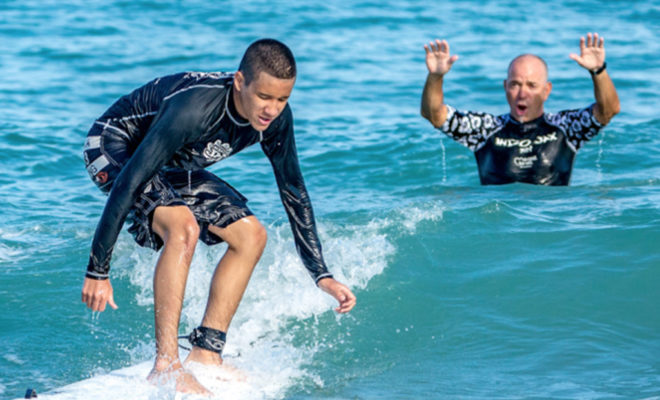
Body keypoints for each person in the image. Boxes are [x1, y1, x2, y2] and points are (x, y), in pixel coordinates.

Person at [80, 38, 356, 395]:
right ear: (240, 82)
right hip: (116, 147)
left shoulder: (274, 120)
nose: (271, 110)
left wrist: (322, 274)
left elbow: (293, 190)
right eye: (264, 97)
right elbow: (130, 181)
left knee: (251, 236)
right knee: (183, 228)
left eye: (282, 99)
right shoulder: (193, 108)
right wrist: (98, 270)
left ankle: (206, 351)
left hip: (168, 159)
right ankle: (166, 364)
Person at [421, 33, 620, 185]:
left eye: (531, 86)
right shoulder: (484, 129)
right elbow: (433, 114)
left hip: (552, 222)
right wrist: (436, 77)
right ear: (505, 87)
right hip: (500, 225)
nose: (522, 93)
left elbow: (608, 111)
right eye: (515, 84)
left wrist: (598, 71)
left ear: (546, 90)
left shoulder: (567, 127)